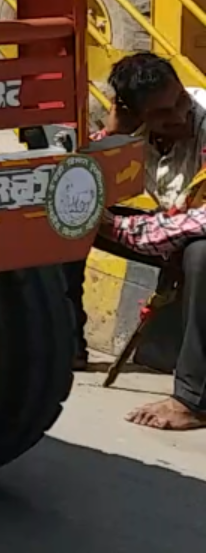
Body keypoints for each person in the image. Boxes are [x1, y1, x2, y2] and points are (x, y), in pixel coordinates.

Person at [94, 53, 206, 431]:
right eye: (161, 113)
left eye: (179, 101)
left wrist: (128, 232)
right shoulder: (133, 130)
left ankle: (193, 400)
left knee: (202, 255)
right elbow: (74, 183)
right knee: (72, 222)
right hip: (174, 228)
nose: (178, 115)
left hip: (195, 236)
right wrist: (113, 136)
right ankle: (66, 348)